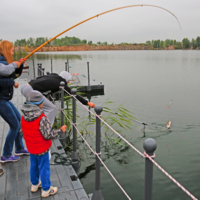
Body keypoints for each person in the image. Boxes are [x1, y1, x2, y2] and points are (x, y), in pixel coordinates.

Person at [20, 91, 67, 197]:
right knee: (44, 168)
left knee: (34, 166)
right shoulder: (42, 118)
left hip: (31, 148)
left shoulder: (23, 117)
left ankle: (35, 185)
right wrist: (60, 130)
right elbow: (48, 135)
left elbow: (21, 132)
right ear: (40, 104)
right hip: (42, 149)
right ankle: (46, 189)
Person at [21, 71, 95, 125]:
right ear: (66, 80)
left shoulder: (54, 75)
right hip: (30, 90)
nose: (68, 83)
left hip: (25, 86)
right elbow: (74, 95)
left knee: (41, 107)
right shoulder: (62, 84)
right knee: (51, 108)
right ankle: (46, 128)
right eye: (68, 81)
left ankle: (36, 125)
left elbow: (40, 77)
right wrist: (87, 103)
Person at [0, 40, 29, 163]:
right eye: (12, 49)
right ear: (7, 49)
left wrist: (20, 64)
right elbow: (6, 76)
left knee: (19, 121)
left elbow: (13, 75)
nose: (13, 51)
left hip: (4, 99)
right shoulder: (1, 63)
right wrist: (12, 82)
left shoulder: (5, 63)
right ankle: (6, 155)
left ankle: (19, 148)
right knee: (14, 125)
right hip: (1, 100)